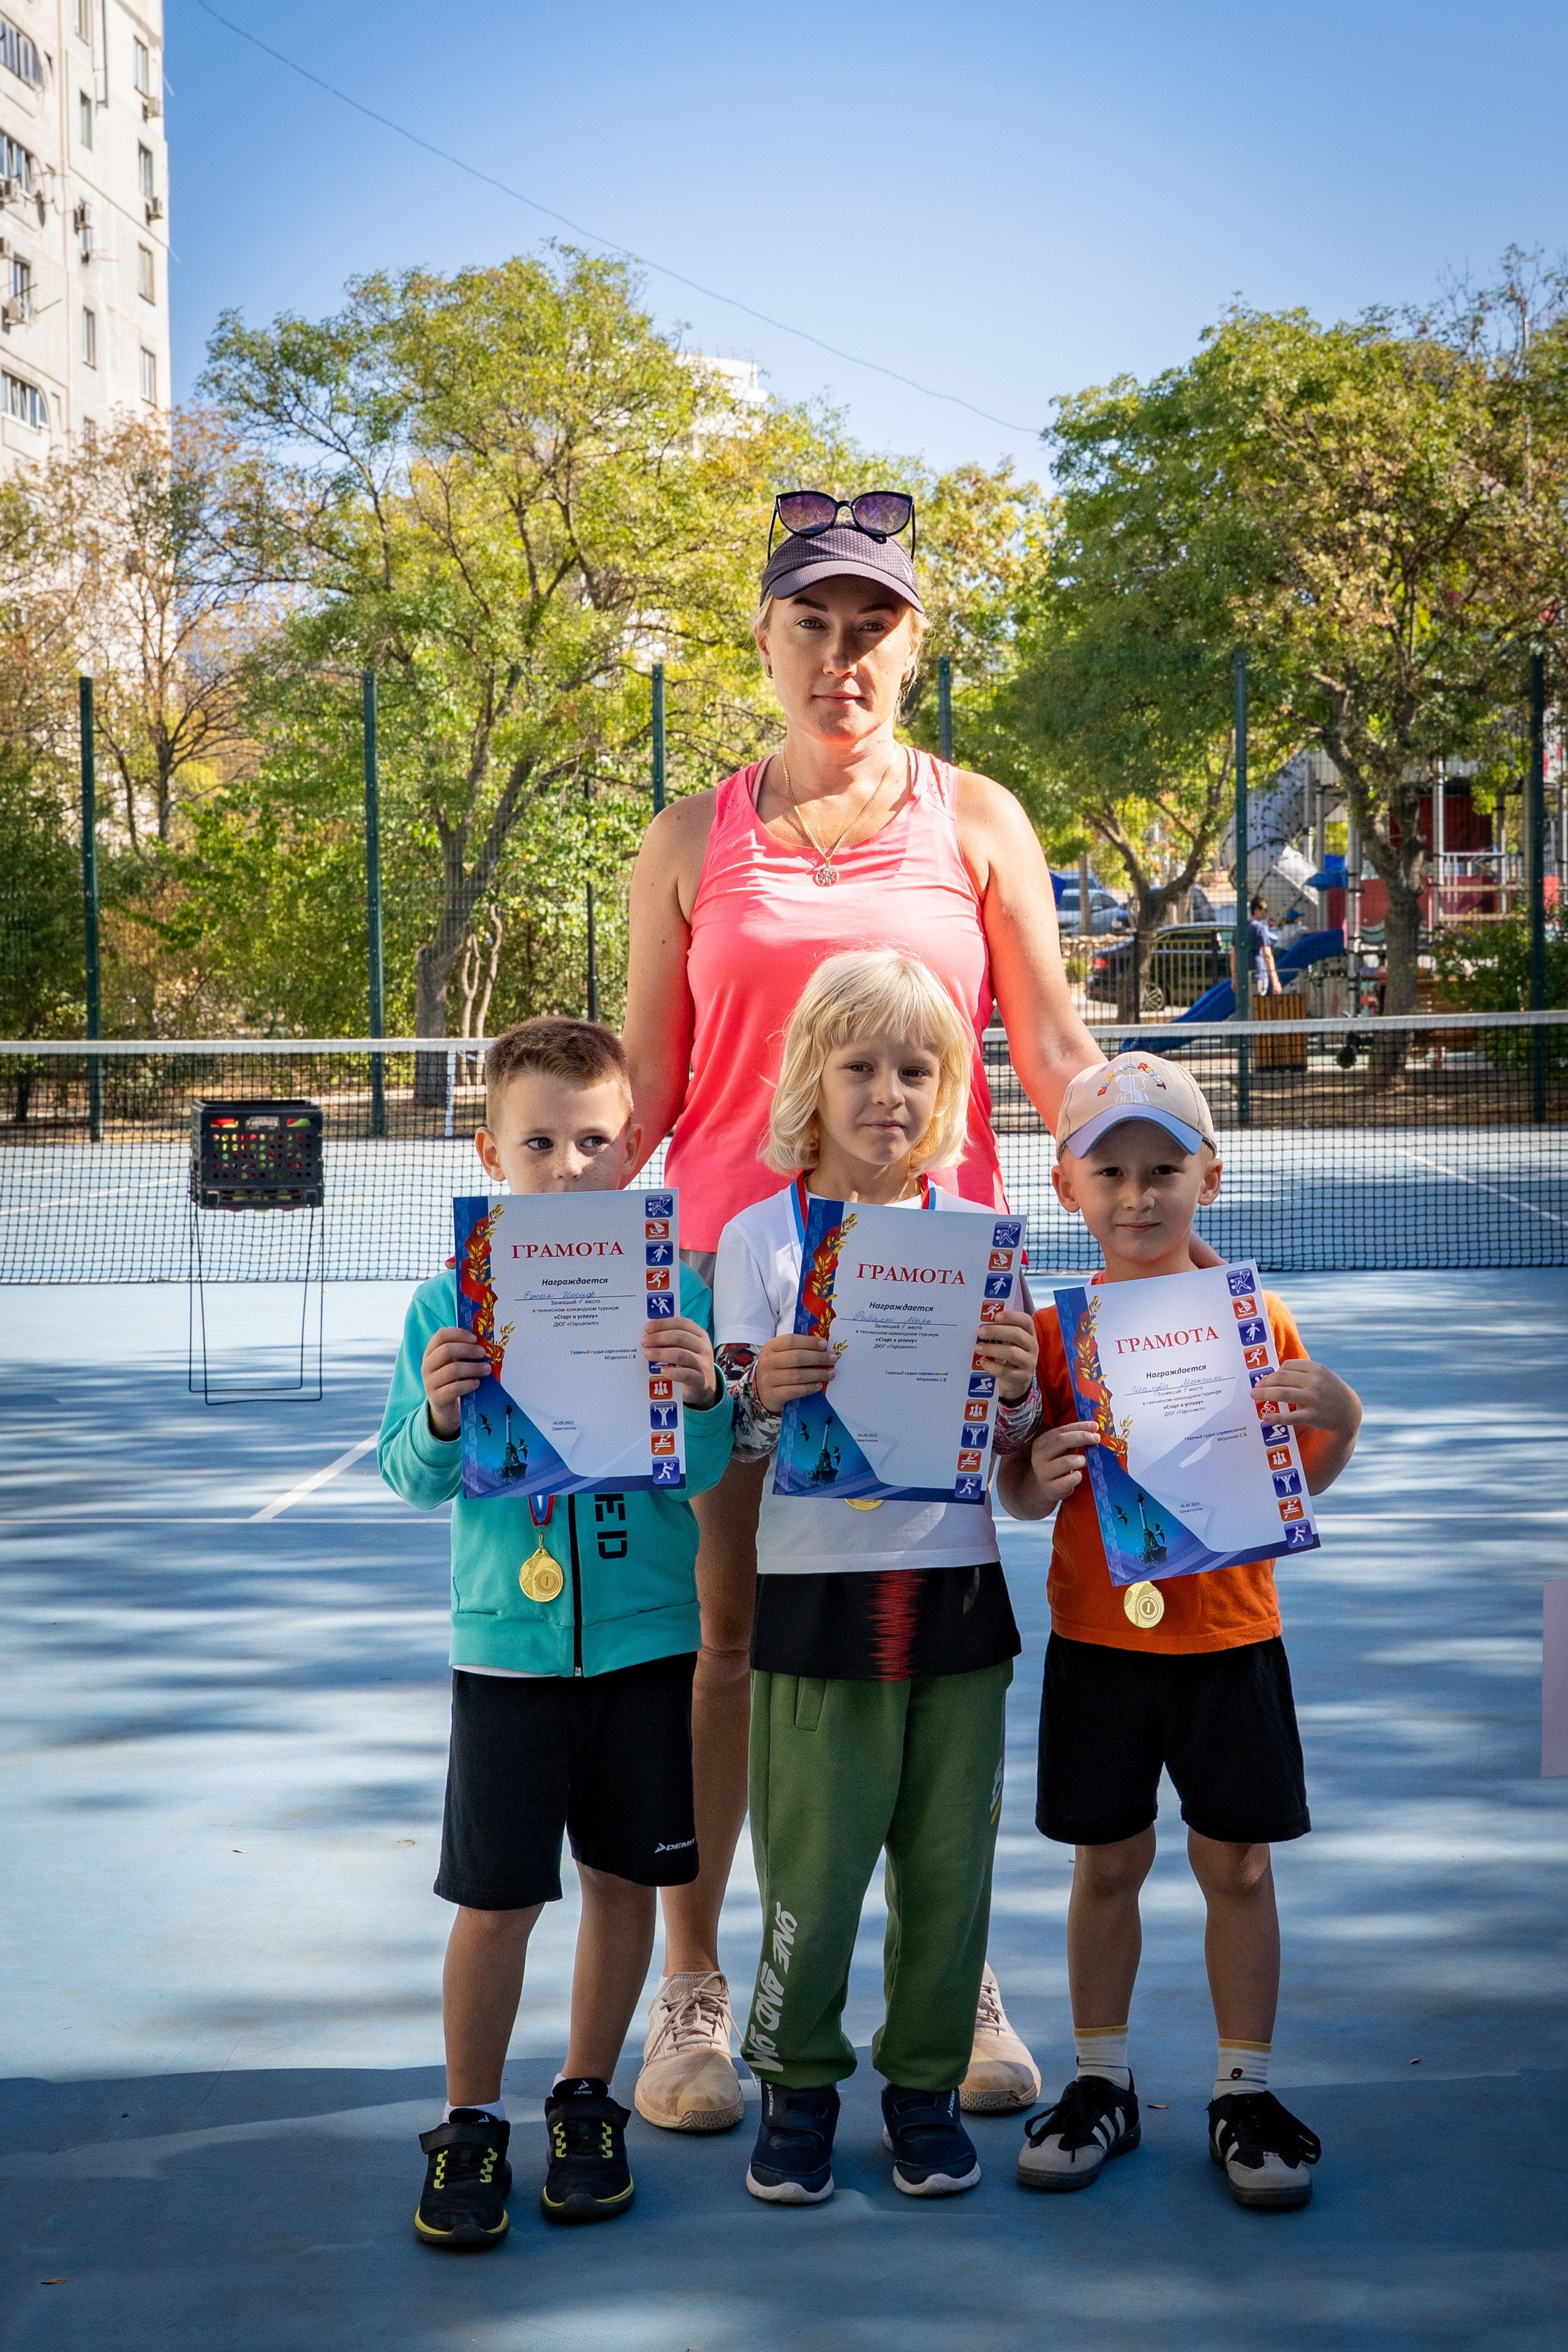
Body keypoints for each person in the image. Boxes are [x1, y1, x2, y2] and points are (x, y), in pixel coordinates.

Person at [622, 487, 1105, 2130]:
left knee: (924, 1645)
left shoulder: (980, 822)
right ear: (763, 643)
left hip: (930, 1294)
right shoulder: (689, 843)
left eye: (873, 627)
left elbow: (1050, 1052)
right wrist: (528, 1241)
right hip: (725, 1299)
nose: (844, 657)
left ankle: (945, 1981)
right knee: (725, 1648)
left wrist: (1145, 1132)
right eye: (813, 626)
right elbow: (651, 1098)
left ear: (913, 645)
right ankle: (695, 1993)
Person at [379, 1019, 734, 2249]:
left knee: (623, 1881)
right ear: (491, 1149)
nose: (570, 1165)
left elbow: (695, 1469)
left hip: (644, 1645)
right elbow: (410, 1478)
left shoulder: (673, 1291)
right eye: (540, 1141)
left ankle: (585, 2103)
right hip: (507, 1657)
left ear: (632, 1148)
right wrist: (434, 1414)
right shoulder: (445, 1299)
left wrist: (703, 1395)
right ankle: (469, 2121)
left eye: (594, 1140)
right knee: (495, 1899)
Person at [997, 1052, 1362, 2211]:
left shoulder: (1256, 1322)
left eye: (1164, 1170)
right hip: (1101, 1647)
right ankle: (1100, 2080)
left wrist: (1339, 1418)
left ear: (1210, 1172)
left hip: (1231, 1640)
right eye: (1113, 1172)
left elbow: (1302, 1477)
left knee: (1236, 1865)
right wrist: (1036, 1476)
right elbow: (1016, 1488)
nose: (1139, 1196)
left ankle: (1242, 2091)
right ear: (1067, 1187)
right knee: (1106, 1861)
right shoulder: (1060, 1339)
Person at [713, 949, 1044, 2204]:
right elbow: (732, 1439)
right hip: (815, 1602)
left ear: (948, 1086)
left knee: (947, 1866)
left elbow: (1009, 1453)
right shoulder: (757, 1239)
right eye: (858, 1066)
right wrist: (758, 1391)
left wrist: (1014, 1388)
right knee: (811, 1861)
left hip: (957, 1594)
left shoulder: (979, 1243)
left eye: (915, 1068)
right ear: (812, 1077)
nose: (887, 1093)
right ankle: (797, 2089)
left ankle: (919, 2089)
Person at [1231, 893, 1281, 997]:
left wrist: (1234, 978)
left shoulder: (1238, 928)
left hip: (1242, 977)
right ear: (1256, 911)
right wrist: (1275, 980)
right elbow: (1267, 955)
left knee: (1246, 1009)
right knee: (1257, 1009)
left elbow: (1233, 955)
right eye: (1265, 910)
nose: (1266, 914)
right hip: (1258, 975)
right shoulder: (1260, 929)